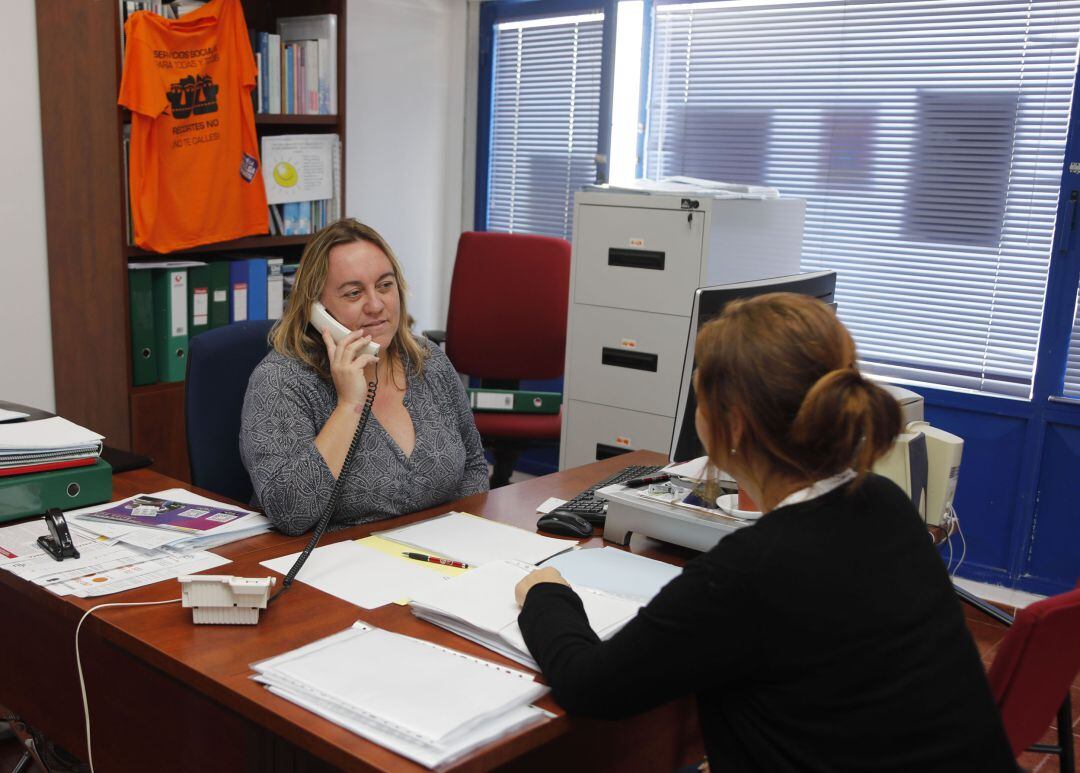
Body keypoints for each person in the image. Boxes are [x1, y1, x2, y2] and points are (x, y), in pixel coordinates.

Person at [514, 293, 1016, 772]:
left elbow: (591, 688)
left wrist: (546, 594)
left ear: (730, 426)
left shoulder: (749, 571)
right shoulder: (884, 504)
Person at [241, 219, 489, 535]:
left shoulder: (427, 360)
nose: (375, 305)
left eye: (385, 286)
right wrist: (348, 406)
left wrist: (467, 540)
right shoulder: (282, 381)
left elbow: (474, 468)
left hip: (438, 561)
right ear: (317, 308)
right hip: (336, 566)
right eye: (354, 293)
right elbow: (291, 514)